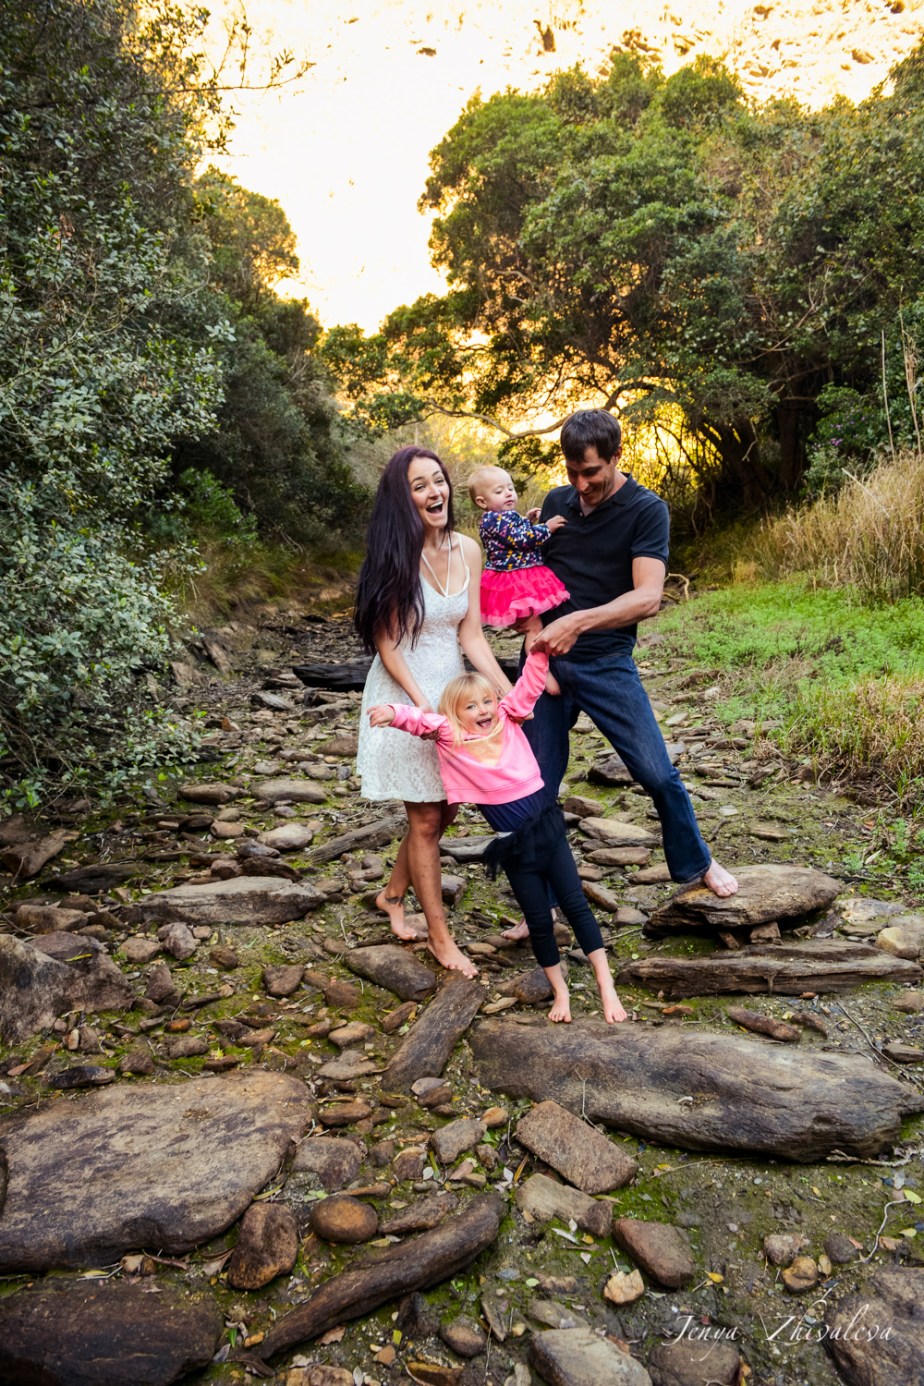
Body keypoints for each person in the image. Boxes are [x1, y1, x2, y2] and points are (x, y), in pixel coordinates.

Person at [513, 409, 737, 940]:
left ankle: (697, 863)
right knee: (533, 782)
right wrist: (536, 633)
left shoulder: (646, 509)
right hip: (542, 661)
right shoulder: (555, 501)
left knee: (658, 773)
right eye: (572, 471)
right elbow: (525, 572)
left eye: (591, 471)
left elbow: (648, 596)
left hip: (606, 660)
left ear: (616, 457)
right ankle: (538, 903)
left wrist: (579, 622)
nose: (581, 484)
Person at [367, 649, 627, 1024]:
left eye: (487, 700)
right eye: (471, 707)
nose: (484, 710)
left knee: (575, 904)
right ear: (455, 714)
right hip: (513, 845)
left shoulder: (508, 719)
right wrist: (392, 713)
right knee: (538, 920)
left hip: (547, 829)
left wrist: (538, 654)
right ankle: (561, 991)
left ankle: (606, 984)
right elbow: (419, 721)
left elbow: (527, 687)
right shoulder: (449, 736)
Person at [354, 444, 513, 980]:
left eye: (438, 480)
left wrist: (505, 691)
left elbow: (470, 634)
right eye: (419, 485)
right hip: (406, 693)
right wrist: (422, 709)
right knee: (424, 819)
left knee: (445, 812)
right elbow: (389, 647)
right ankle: (441, 938)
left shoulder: (468, 548)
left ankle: (392, 894)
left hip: (455, 694)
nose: (434, 492)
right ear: (403, 498)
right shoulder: (391, 556)